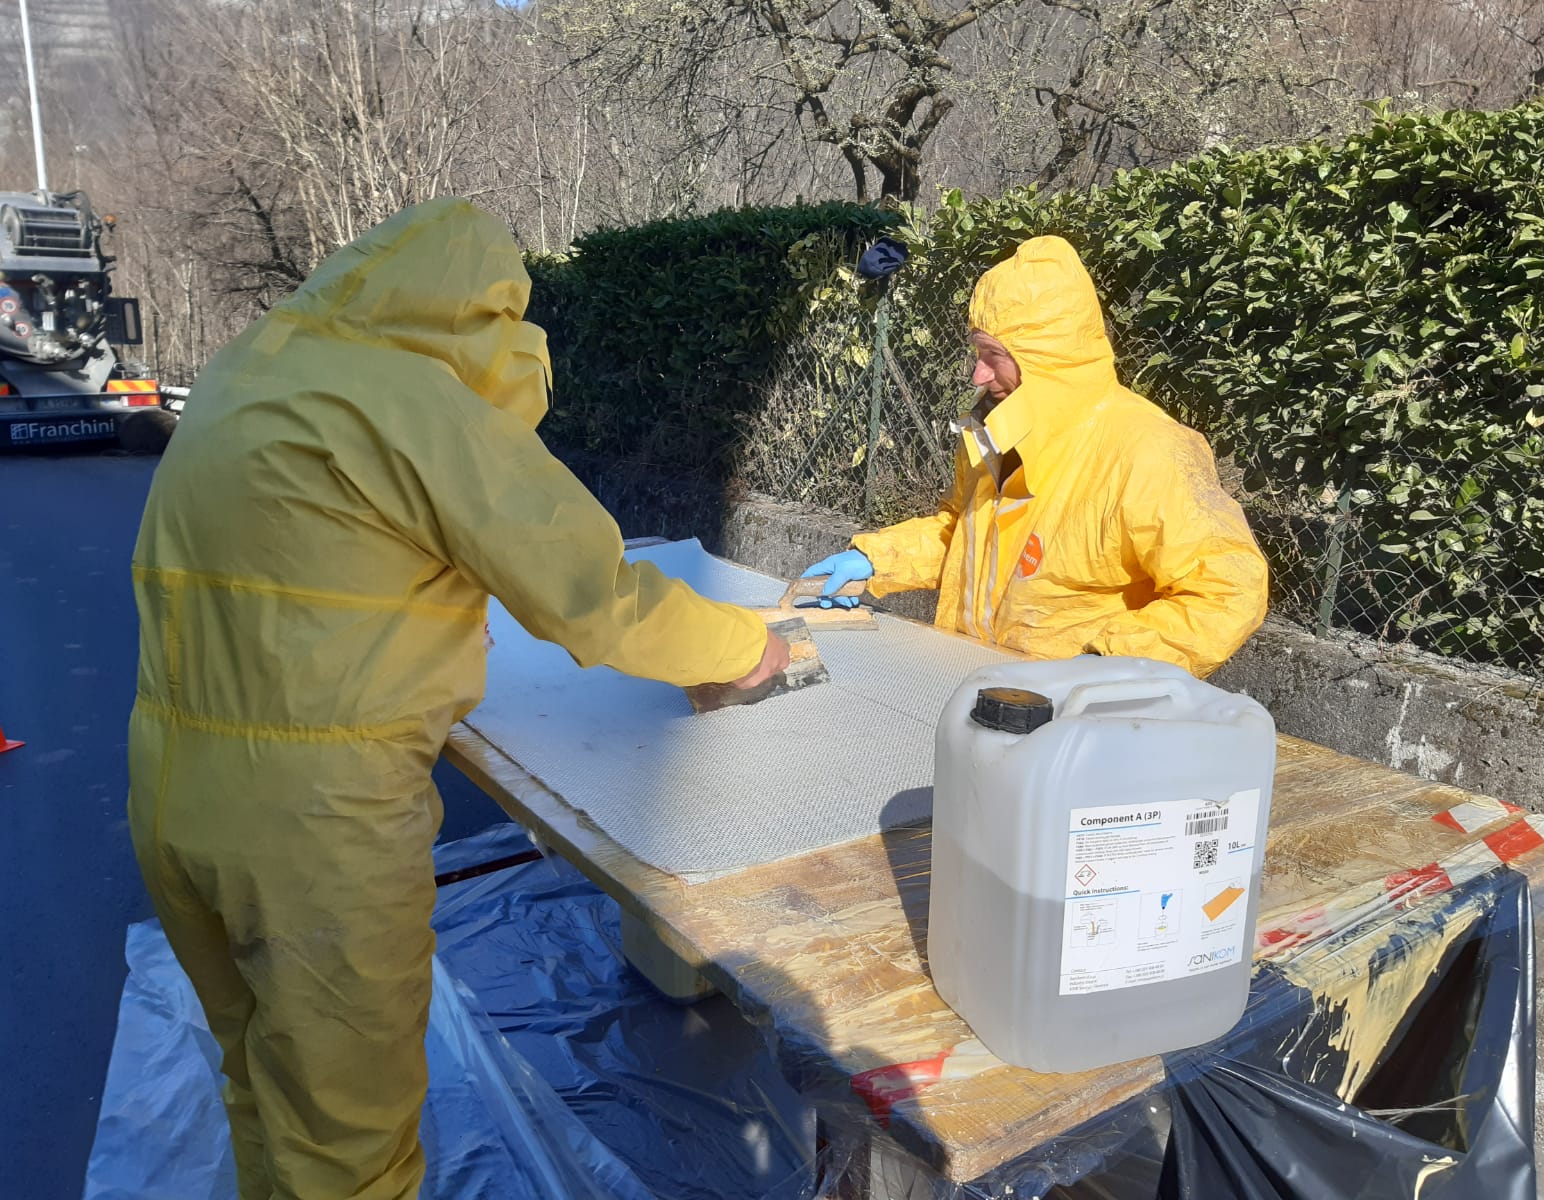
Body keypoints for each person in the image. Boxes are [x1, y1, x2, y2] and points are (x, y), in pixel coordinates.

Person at [126, 198, 788, 1200]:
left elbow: (293, 565)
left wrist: (420, 616)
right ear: (480, 316)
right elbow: (595, 596)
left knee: (260, 1078)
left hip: (172, 793)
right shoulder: (414, 403)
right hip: (313, 834)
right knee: (348, 1145)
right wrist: (742, 645)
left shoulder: (250, 373)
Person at [805, 235, 1267, 678]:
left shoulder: (1147, 450)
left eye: (994, 355)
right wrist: (878, 559)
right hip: (973, 684)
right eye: (977, 352)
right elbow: (964, 536)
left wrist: (1112, 664)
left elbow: (1227, 590)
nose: (979, 374)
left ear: (1047, 358)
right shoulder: (996, 433)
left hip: (1079, 716)